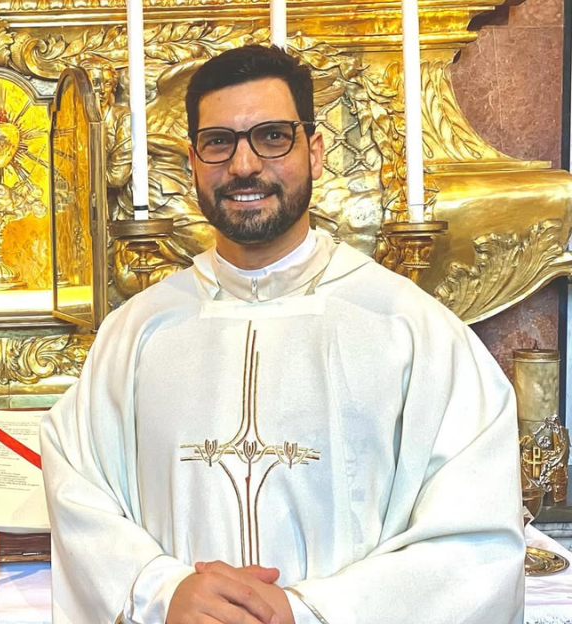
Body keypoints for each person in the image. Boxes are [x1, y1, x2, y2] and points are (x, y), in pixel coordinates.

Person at [41, 44, 524, 624]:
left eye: (272, 137)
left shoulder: (411, 331)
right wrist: (161, 591)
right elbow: (77, 484)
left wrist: (311, 612)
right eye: (219, 141)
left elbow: (475, 542)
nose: (243, 165)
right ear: (193, 161)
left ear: (315, 151)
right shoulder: (136, 333)